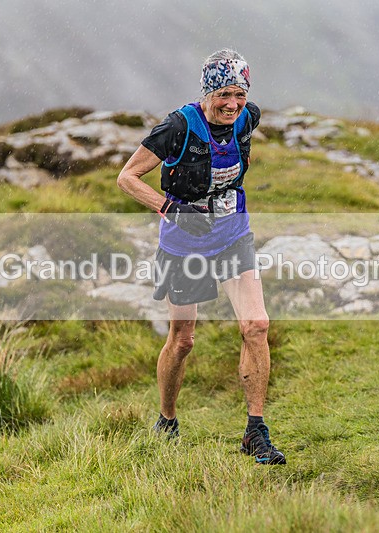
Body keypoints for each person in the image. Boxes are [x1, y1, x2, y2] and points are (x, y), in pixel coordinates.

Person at [116, 49, 285, 465]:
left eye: (240, 94)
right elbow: (127, 177)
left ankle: (255, 431)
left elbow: (239, 152)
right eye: (224, 94)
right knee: (183, 340)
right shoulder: (178, 127)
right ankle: (167, 419)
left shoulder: (248, 118)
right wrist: (172, 209)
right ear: (207, 93)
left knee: (257, 326)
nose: (232, 104)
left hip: (233, 236)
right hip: (184, 245)